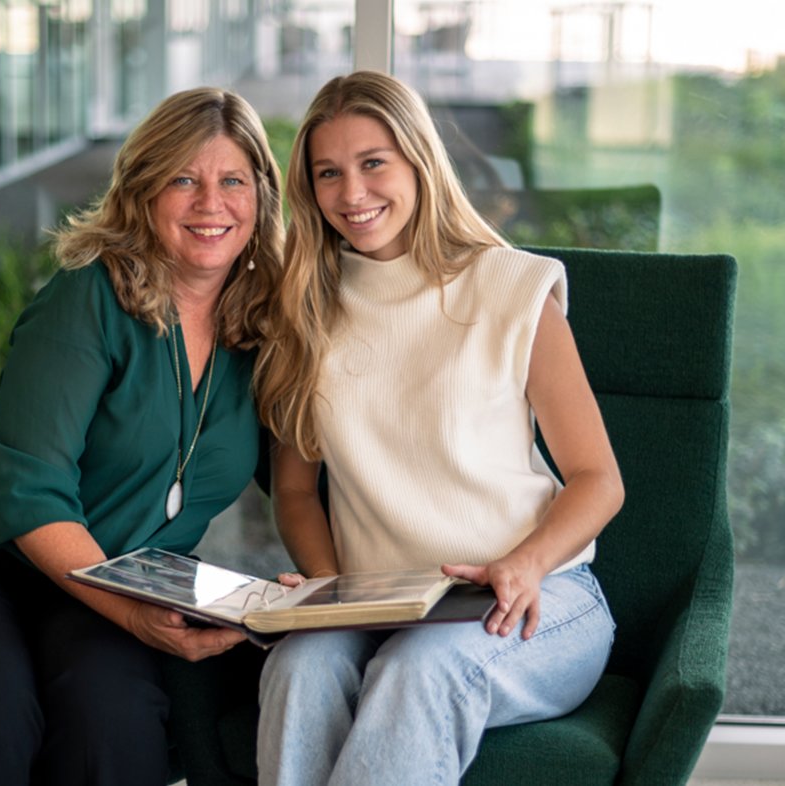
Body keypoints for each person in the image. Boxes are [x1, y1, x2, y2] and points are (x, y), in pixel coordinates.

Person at [0, 87, 283, 786]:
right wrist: (131, 613)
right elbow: (30, 491)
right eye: (184, 178)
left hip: (120, 582)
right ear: (144, 191)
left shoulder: (264, 327)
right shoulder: (90, 297)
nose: (212, 202)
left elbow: (301, 480)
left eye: (233, 180)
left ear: (261, 197)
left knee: (110, 720)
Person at [252, 70, 624, 786]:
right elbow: (295, 493)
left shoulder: (513, 287)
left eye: (372, 164)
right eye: (328, 173)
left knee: (418, 670)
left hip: (539, 599)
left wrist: (525, 563)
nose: (351, 194)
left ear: (419, 160)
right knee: (299, 665)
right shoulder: (304, 313)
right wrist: (333, 592)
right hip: (380, 601)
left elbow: (598, 481)